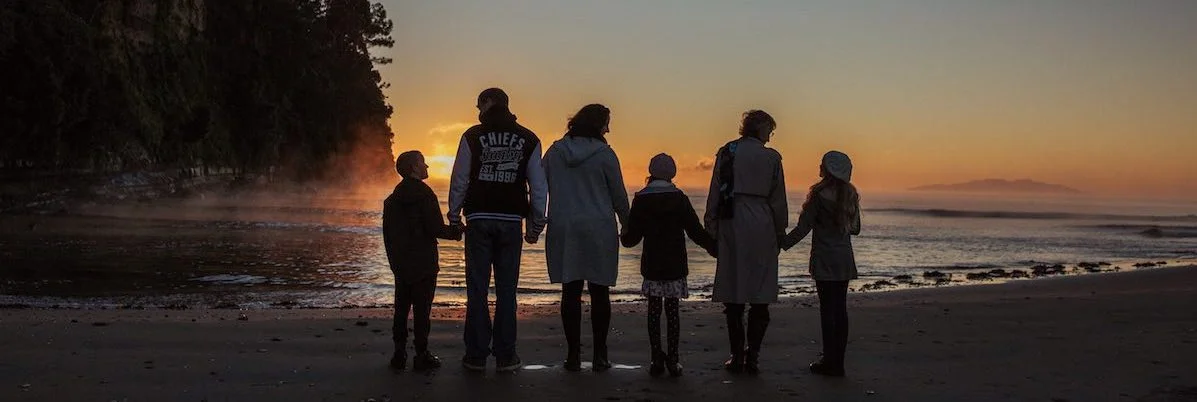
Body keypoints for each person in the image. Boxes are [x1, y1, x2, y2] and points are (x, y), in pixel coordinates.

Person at [447, 88, 548, 372]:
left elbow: (460, 179)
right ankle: (505, 356)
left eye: (479, 104)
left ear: (489, 103)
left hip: (479, 218)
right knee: (507, 291)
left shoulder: (472, 136)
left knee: (477, 289)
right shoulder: (529, 139)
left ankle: (476, 355)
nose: (477, 109)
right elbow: (538, 187)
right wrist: (536, 225)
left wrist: (455, 216)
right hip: (510, 222)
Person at [542, 104, 630, 372]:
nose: (609, 128)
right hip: (598, 227)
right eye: (606, 122)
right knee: (599, 291)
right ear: (597, 124)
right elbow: (618, 195)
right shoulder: (605, 154)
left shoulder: (555, 152)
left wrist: (536, 221)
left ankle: (572, 355)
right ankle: (600, 354)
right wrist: (628, 225)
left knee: (570, 291)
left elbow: (537, 187)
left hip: (564, 226)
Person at [704, 110, 787, 374]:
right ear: (762, 129)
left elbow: (715, 191)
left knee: (734, 290)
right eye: (769, 131)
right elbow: (778, 199)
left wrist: (711, 227)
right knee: (760, 293)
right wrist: (780, 230)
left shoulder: (728, 151)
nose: (770, 136)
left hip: (732, 220)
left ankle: (737, 354)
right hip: (761, 221)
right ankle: (753, 356)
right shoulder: (772, 158)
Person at [621, 153, 716, 377]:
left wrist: (622, 236)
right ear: (672, 174)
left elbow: (632, 238)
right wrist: (715, 248)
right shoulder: (679, 198)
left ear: (651, 173)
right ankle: (673, 359)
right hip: (675, 263)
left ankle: (656, 359)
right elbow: (695, 230)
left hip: (653, 263)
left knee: (654, 312)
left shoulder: (641, 199)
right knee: (672, 312)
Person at [780, 150, 861, 377]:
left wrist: (782, 243)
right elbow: (855, 228)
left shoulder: (818, 194)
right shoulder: (851, 194)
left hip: (824, 258)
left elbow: (803, 228)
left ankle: (828, 360)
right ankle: (839, 362)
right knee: (840, 309)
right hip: (844, 258)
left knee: (827, 309)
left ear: (826, 168)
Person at [382, 151, 463, 371]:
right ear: (414, 168)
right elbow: (435, 228)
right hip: (424, 262)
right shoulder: (425, 195)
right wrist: (457, 231)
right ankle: (421, 354)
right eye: (422, 163)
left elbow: (387, 235)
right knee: (421, 311)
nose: (427, 166)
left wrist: (393, 262)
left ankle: (399, 354)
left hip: (401, 262)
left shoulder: (392, 199)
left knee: (401, 309)